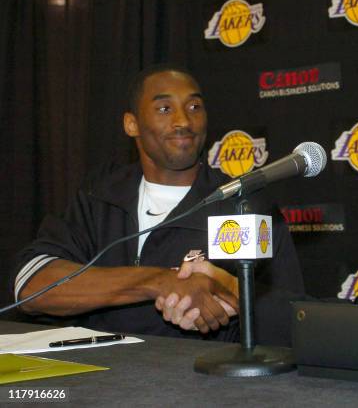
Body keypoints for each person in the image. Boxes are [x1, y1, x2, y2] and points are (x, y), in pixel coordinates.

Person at [12, 65, 304, 346]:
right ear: (132, 124)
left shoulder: (245, 205)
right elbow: (33, 285)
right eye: (165, 109)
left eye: (194, 108)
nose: (184, 122)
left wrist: (228, 291)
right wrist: (160, 281)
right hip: (99, 380)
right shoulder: (98, 196)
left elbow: (295, 322)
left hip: (203, 387)